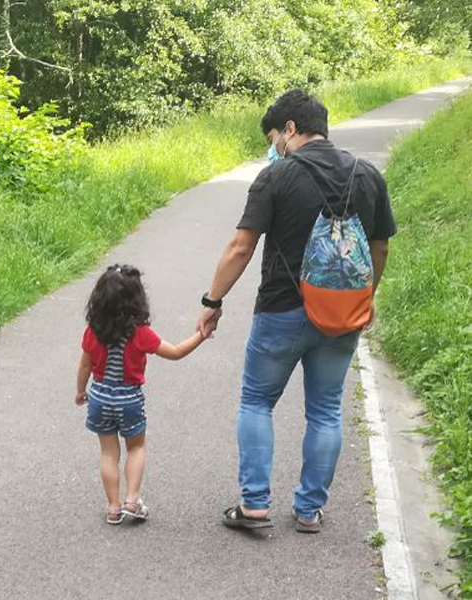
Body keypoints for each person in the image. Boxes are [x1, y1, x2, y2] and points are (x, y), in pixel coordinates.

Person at [197, 89, 396, 533]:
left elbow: (241, 246)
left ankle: (254, 505)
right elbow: (380, 247)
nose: (274, 147)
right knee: (325, 410)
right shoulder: (367, 176)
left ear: (289, 129)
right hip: (343, 313)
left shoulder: (277, 177)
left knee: (256, 401)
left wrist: (213, 302)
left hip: (281, 312)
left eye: (274, 137)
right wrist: (366, 296)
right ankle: (308, 511)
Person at [76, 264, 211, 524]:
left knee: (108, 453)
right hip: (129, 400)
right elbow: (175, 352)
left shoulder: (93, 331)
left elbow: (84, 365)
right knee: (136, 447)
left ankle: (113, 507)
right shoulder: (140, 333)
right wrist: (201, 336)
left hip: (100, 398)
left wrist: (81, 390)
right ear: (137, 301)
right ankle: (132, 500)